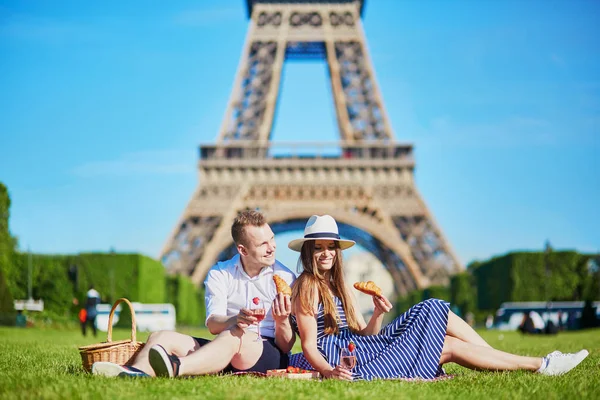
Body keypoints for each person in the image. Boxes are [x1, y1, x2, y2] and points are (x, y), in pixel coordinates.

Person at [286, 215, 589, 380]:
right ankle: (540, 364)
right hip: (347, 363)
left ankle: (537, 364)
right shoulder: (307, 285)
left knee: (447, 341)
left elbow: (364, 335)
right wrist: (329, 373)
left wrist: (377, 313)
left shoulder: (339, 286)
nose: (325, 253)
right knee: (432, 308)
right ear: (308, 251)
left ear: (337, 252)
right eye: (318, 247)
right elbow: (311, 345)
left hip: (363, 349)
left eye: (330, 247)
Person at [92, 210, 296, 378]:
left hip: (266, 352)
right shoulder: (220, 272)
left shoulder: (285, 277)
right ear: (242, 250)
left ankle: (175, 367)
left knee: (234, 335)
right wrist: (236, 318)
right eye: (263, 244)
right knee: (160, 336)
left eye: (271, 239)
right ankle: (136, 373)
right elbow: (214, 325)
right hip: (225, 345)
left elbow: (286, 346)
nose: (272, 248)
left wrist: (282, 320)